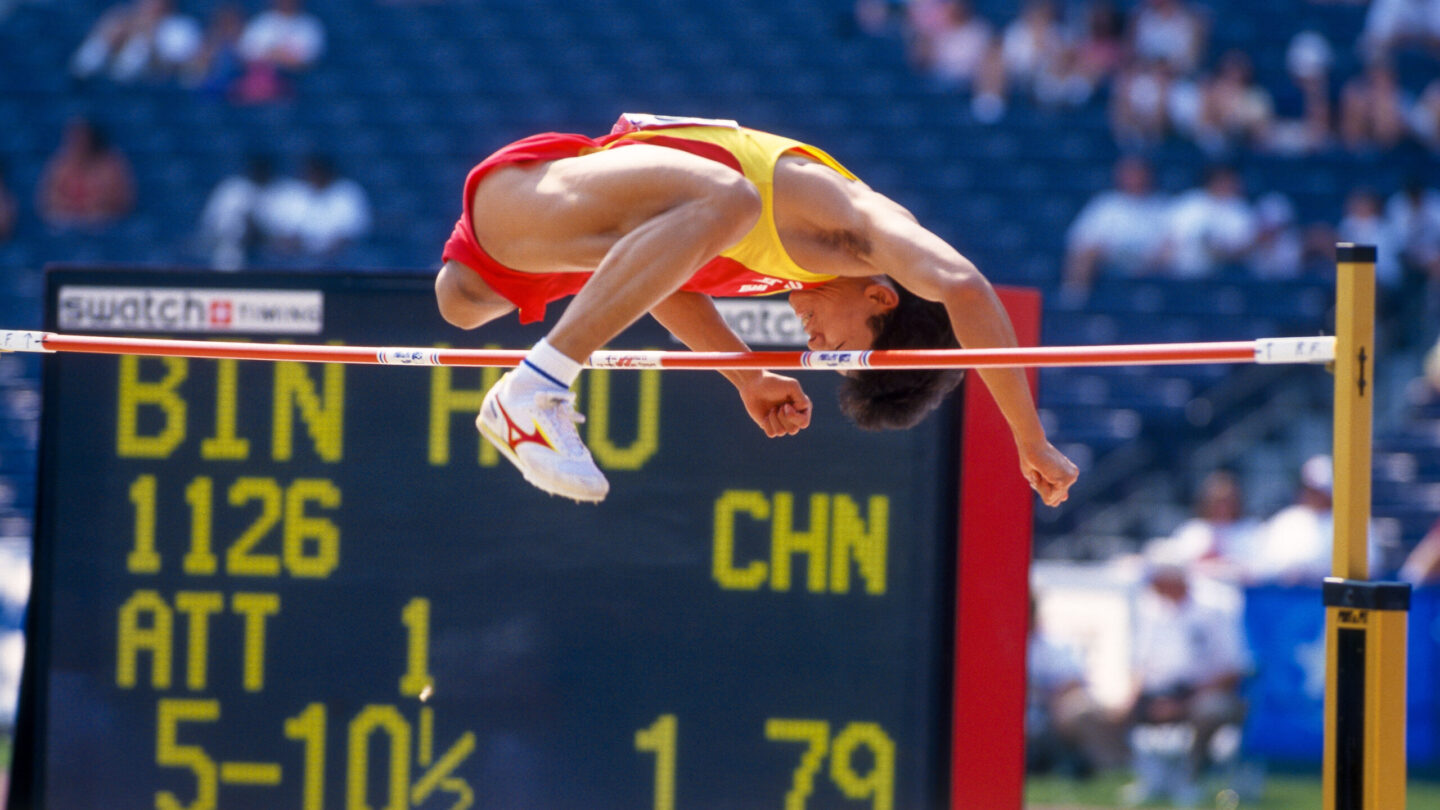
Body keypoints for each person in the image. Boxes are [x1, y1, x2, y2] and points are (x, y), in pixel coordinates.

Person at [435, 113, 1080, 503]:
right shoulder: (855, 225)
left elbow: (662, 282)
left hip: (537, 233)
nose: (818, 350)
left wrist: (744, 374)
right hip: (538, 188)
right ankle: (534, 389)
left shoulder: (771, 273)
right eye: (843, 350)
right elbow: (965, 287)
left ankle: (534, 374)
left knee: (460, 306)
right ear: (882, 297)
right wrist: (1031, 442)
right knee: (734, 199)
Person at [1122, 558, 1249, 807]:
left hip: (1204, 692)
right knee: (1119, 712)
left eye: (1157, 580)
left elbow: (1234, 669)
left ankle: (1191, 776)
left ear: (1173, 580)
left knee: (1209, 710)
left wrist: (1183, 702)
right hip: (1160, 692)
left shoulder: (1214, 610)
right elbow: (1140, 665)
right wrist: (1133, 698)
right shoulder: (1152, 613)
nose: (1152, 586)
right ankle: (1150, 777)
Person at [1061, 155, 1169, 298]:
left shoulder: (1162, 205)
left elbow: (1171, 241)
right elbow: (1081, 240)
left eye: (1138, 173)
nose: (1134, 178)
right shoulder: (1105, 203)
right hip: (1112, 259)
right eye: (1129, 173)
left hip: (1151, 261)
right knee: (1084, 255)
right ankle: (1073, 301)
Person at [37, 116, 135, 229]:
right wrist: (68, 207)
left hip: (102, 224)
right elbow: (47, 199)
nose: (78, 142)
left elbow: (122, 201)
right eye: (74, 138)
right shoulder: (60, 164)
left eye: (82, 137)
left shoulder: (111, 165)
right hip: (67, 223)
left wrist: (94, 207)